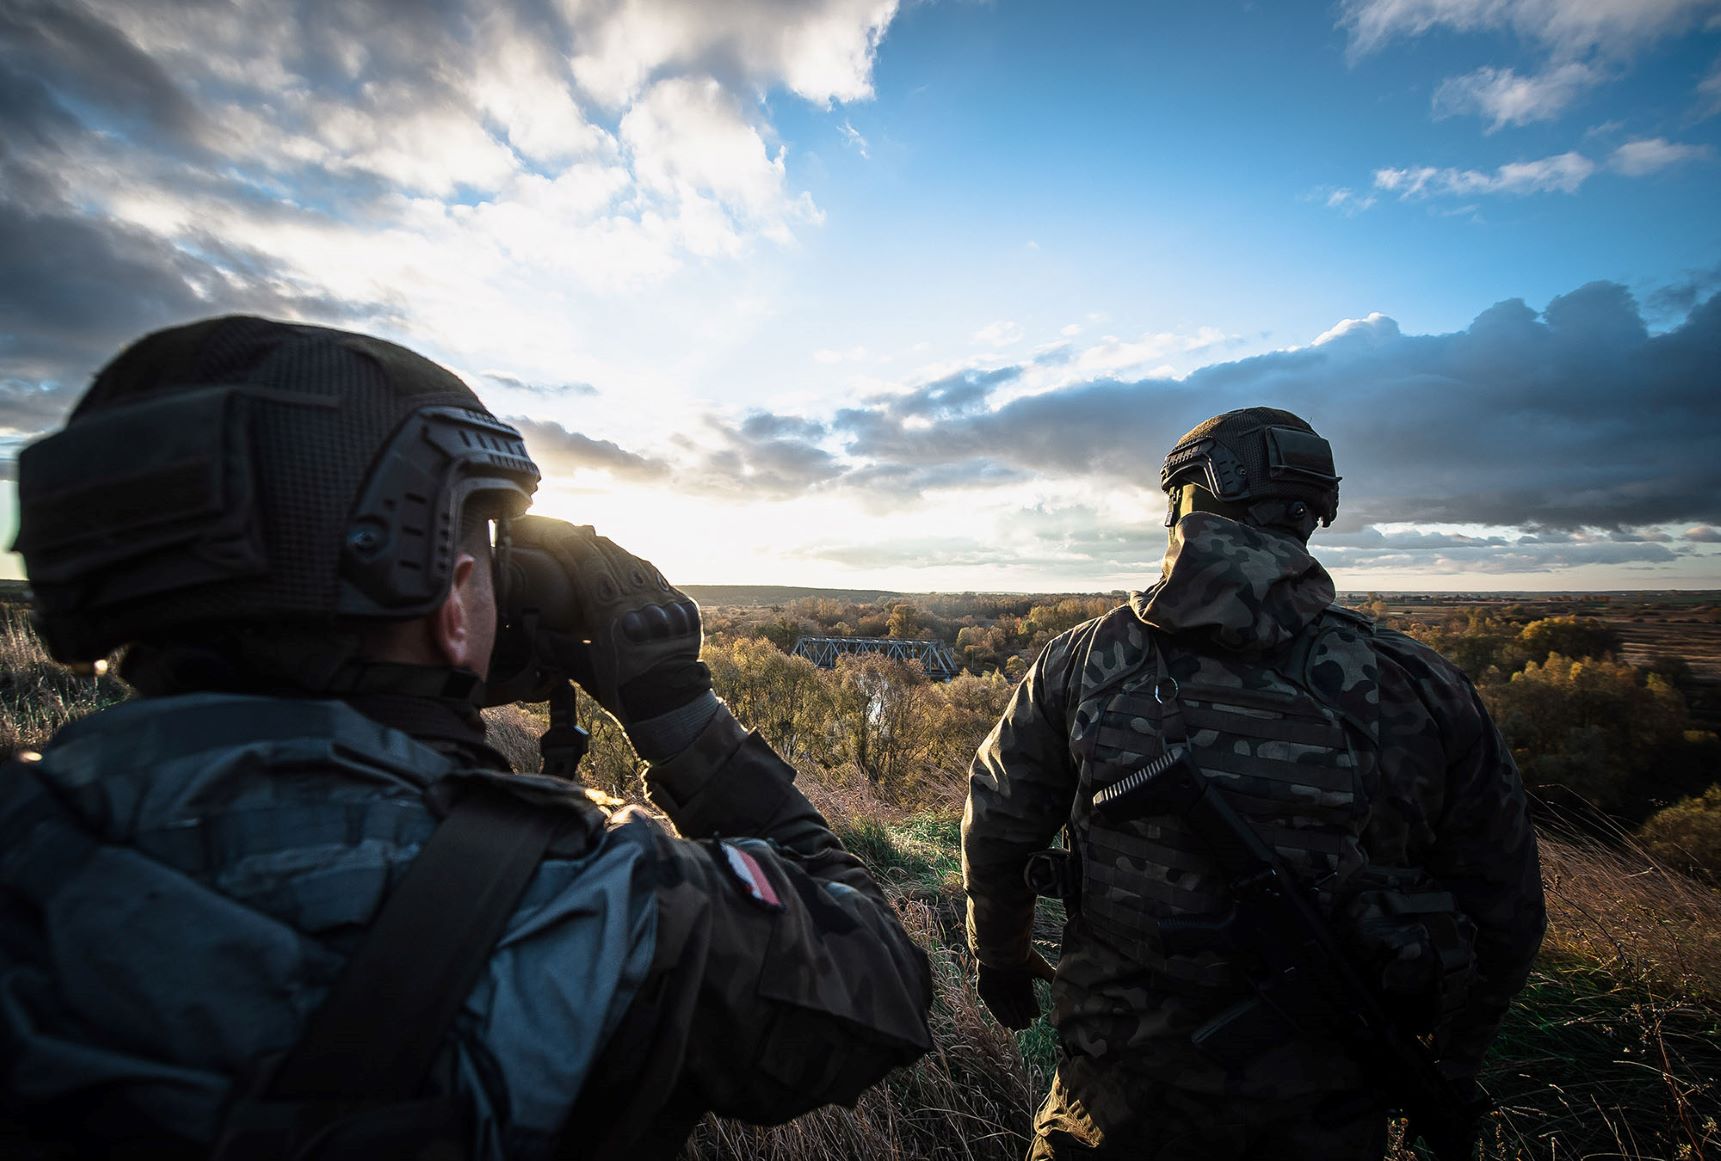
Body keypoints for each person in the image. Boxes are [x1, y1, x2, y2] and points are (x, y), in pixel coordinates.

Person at [0, 316, 933, 1159]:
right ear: (452, 602)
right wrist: (677, 708)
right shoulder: (595, 901)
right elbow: (885, 986)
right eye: (488, 550)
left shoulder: (27, 831)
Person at [962, 407, 1546, 1161]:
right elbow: (1505, 912)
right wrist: (1450, 1060)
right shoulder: (1419, 685)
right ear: (1308, 515)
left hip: (1108, 1105)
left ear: (1187, 498)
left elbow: (998, 822)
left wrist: (1000, 955)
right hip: (1322, 1113)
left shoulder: (1084, 662)